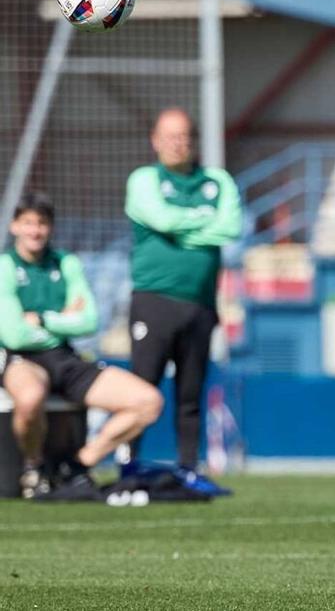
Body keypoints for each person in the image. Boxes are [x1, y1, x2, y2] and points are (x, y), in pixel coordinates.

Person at [0, 193, 163, 500]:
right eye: (28, 223)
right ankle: (34, 466)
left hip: (64, 356)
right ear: (15, 226)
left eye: (42, 223)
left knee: (147, 402)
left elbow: (89, 321)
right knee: (31, 395)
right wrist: (64, 318)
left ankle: (79, 464)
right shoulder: (5, 267)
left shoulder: (67, 263)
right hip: (21, 359)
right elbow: (14, 335)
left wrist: (44, 320)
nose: (35, 231)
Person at [124, 108, 242, 492]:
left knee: (191, 392)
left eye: (184, 136)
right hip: (154, 300)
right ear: (155, 141)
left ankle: (189, 468)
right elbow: (160, 220)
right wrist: (200, 223)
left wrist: (182, 228)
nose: (178, 143)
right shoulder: (143, 179)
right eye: (169, 136)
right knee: (142, 388)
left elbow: (230, 227)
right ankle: (129, 465)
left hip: (201, 303)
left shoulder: (217, 181)